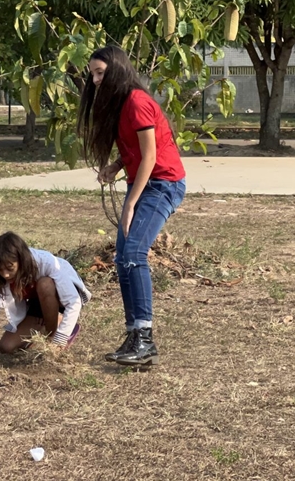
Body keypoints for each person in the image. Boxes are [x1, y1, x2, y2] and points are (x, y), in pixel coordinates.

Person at [77, 45, 186, 366]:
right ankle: (134, 334)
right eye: (93, 74)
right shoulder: (121, 104)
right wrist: (115, 166)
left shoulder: (137, 102)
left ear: (117, 70)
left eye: (100, 72)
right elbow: (136, 152)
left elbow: (151, 157)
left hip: (162, 184)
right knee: (124, 257)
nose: (95, 80)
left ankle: (145, 337)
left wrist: (130, 205)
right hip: (144, 182)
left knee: (135, 253)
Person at [0, 232, 90, 360]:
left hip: (59, 298)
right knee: (6, 346)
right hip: (37, 303)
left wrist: (58, 340)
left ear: (22, 260)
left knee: (45, 284)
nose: (5, 274)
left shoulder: (47, 262)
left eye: (10, 268)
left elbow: (73, 302)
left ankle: (55, 333)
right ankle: (54, 323)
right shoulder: (0, 279)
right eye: (0, 269)